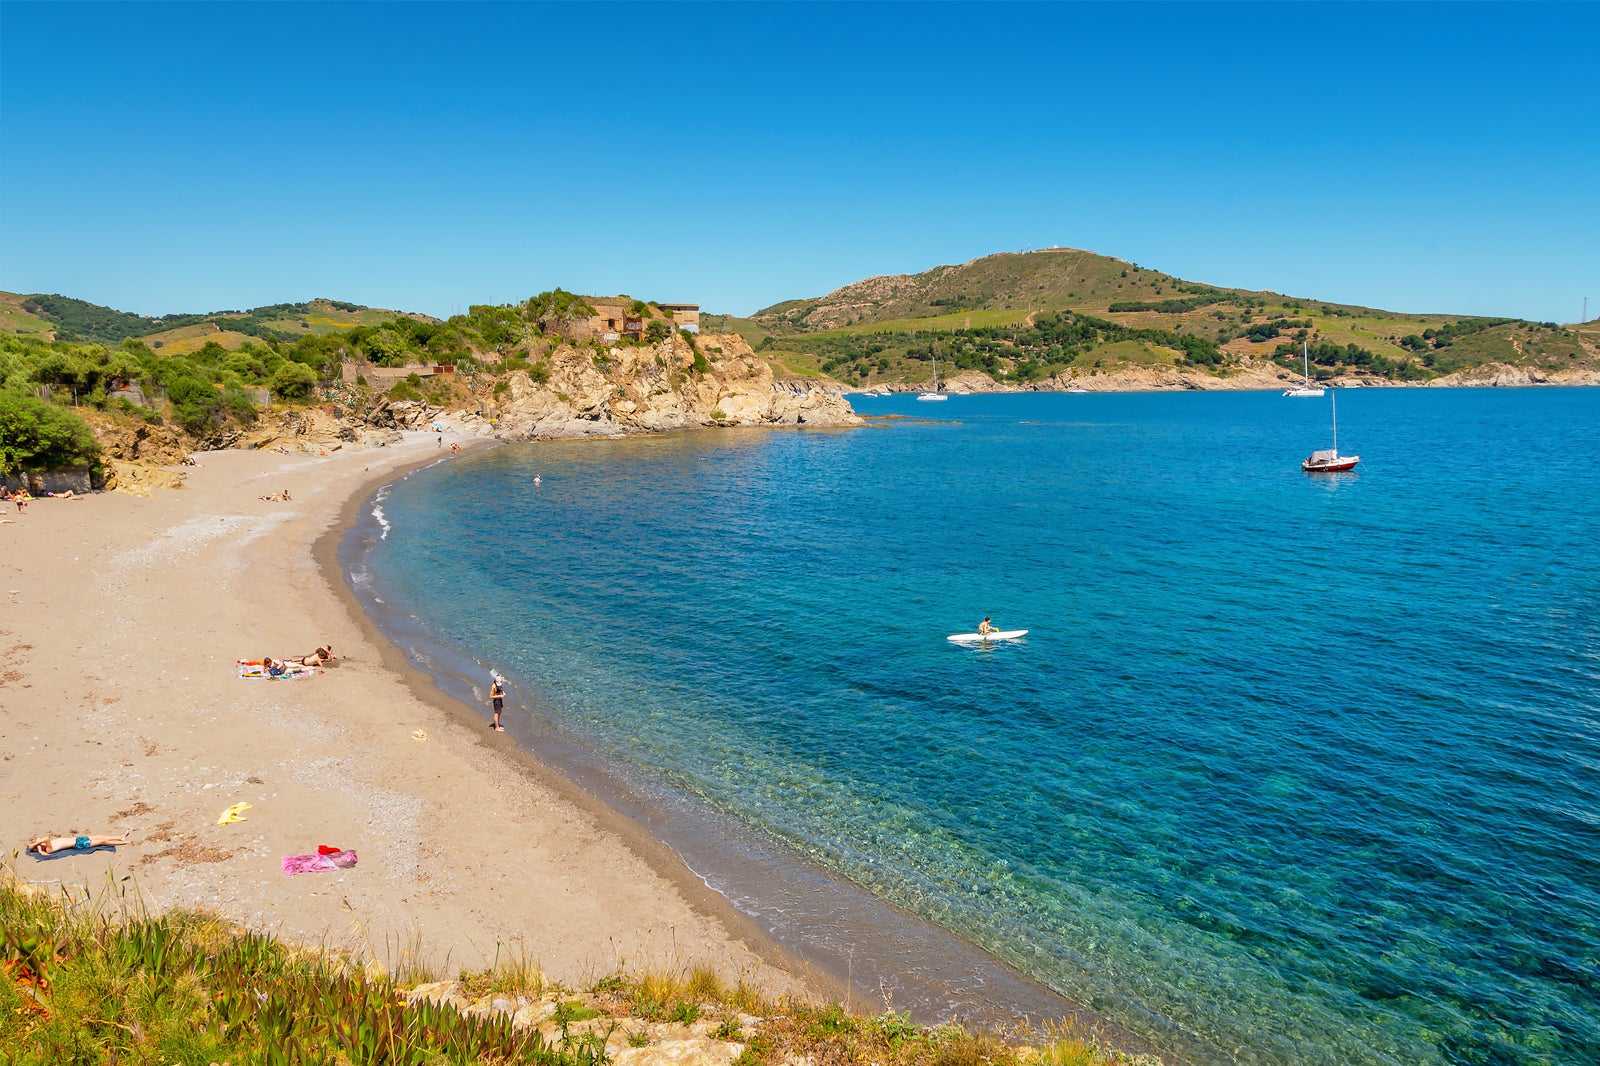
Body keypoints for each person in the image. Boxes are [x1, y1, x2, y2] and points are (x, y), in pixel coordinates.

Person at [28, 833, 131, 855]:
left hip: (77, 839)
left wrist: (37, 846)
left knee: (99, 836)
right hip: (78, 844)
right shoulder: (49, 848)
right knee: (102, 842)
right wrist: (41, 850)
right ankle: (125, 842)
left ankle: (119, 837)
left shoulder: (45, 845)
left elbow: (39, 839)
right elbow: (44, 838)